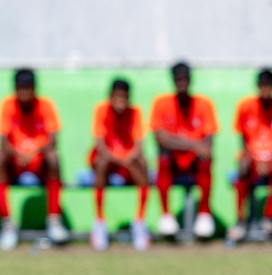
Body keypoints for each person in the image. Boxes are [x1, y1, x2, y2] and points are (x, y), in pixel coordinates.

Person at [0, 68, 67, 250]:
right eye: (21, 89)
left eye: (29, 89)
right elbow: (3, 141)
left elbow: (53, 140)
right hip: (16, 163)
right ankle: (7, 224)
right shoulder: (8, 105)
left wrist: (34, 153)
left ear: (35, 89)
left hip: (39, 163)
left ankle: (54, 220)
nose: (25, 94)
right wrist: (18, 155)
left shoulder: (45, 106)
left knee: (54, 158)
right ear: (15, 89)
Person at [148, 61, 218, 240]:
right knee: (162, 157)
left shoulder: (204, 104)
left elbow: (209, 140)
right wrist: (194, 144)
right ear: (172, 81)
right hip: (173, 163)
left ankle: (204, 214)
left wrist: (185, 144)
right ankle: (166, 214)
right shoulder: (161, 103)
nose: (181, 84)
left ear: (190, 80)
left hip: (194, 162)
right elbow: (160, 139)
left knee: (207, 159)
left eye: (184, 80)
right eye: (178, 80)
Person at [88, 78, 150, 252]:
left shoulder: (135, 113)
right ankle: (100, 221)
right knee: (100, 164)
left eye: (124, 97)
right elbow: (99, 143)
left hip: (127, 162)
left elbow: (139, 145)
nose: (120, 102)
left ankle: (139, 221)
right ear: (110, 96)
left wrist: (127, 159)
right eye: (117, 97)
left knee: (143, 164)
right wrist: (117, 159)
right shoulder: (101, 111)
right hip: (110, 162)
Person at [229, 69, 272, 243]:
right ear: (257, 86)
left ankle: (268, 218)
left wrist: (267, 160)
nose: (265, 90)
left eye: (268, 86)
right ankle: (240, 221)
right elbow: (243, 142)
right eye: (262, 86)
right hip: (253, 158)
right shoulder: (246, 106)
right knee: (243, 165)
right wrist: (255, 159)